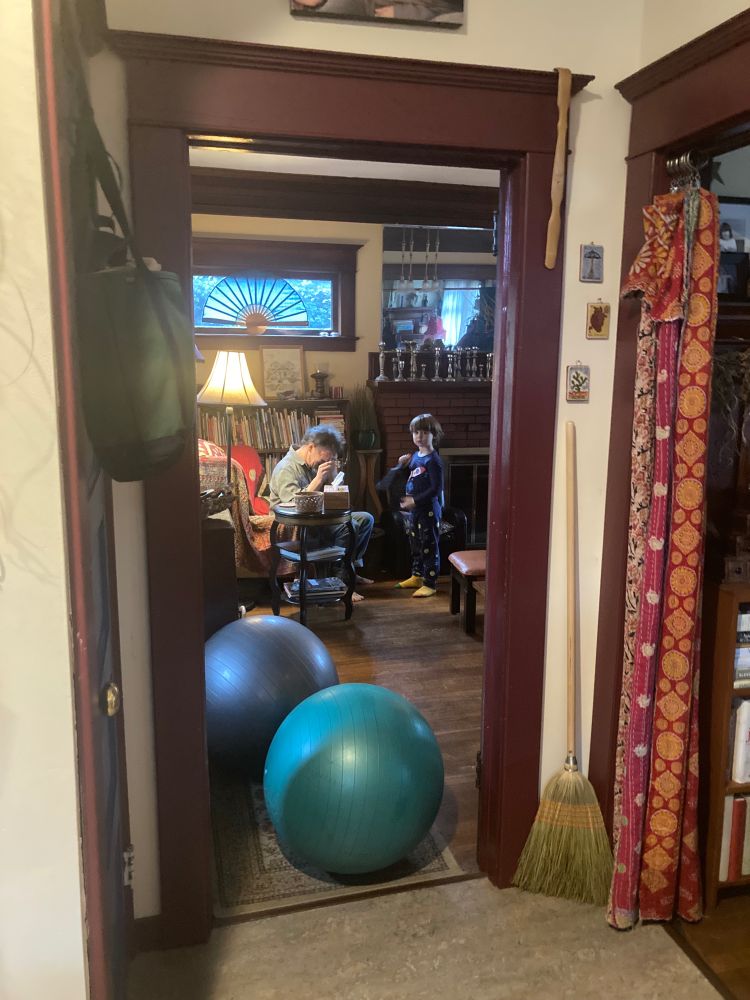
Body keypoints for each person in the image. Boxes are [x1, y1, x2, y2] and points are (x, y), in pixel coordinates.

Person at [269, 424, 374, 598]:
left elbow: (333, 498)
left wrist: (334, 479)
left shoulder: (313, 464)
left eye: (331, 459)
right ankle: (341, 582)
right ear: (311, 446)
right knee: (350, 525)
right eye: (325, 458)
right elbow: (292, 504)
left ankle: (350, 568)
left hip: (319, 517)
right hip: (296, 524)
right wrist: (318, 479)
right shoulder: (286, 468)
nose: (326, 463)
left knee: (366, 519)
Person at [393, 413, 445, 598]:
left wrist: (415, 500)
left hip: (429, 511)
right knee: (415, 543)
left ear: (434, 434)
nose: (419, 436)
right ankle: (416, 576)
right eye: (416, 432)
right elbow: (413, 474)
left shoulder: (434, 461)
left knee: (429, 545)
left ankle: (430, 583)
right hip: (415, 511)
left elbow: (436, 489)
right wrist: (402, 465)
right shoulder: (416, 456)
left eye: (424, 432)